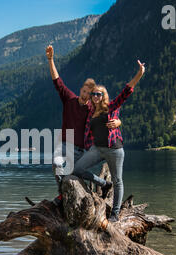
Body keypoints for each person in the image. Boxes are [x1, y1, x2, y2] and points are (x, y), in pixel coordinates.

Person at [46, 45, 121, 205]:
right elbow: (56, 80)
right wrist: (51, 59)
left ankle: (103, 184)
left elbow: (110, 109)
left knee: (74, 173)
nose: (86, 95)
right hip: (64, 145)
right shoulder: (69, 98)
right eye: (85, 91)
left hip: (81, 149)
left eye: (90, 93)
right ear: (81, 90)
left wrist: (118, 122)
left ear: (93, 95)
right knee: (57, 164)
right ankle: (62, 195)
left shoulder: (92, 109)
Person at [73, 60, 146, 222]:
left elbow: (126, 92)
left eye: (99, 94)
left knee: (118, 180)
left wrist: (139, 74)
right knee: (77, 170)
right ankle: (103, 184)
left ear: (103, 96)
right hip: (97, 149)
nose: (96, 96)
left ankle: (115, 214)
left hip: (114, 149)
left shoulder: (111, 107)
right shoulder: (90, 111)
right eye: (94, 94)